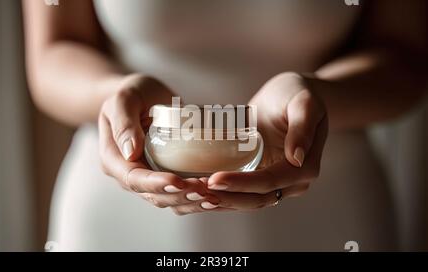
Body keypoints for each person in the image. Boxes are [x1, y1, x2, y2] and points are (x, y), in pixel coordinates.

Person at [22, 0, 427, 251]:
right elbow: (55, 51)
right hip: (120, 210)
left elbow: (403, 57)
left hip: (326, 204)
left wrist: (317, 96)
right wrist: (114, 93)